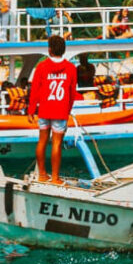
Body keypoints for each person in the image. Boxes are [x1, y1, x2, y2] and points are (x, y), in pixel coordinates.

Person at [27, 34, 81, 183]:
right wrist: (68, 110)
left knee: (42, 141)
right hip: (60, 110)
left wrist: (31, 110)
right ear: (63, 50)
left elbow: (35, 90)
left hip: (44, 109)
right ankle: (55, 177)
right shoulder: (71, 68)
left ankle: (42, 175)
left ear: (49, 50)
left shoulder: (42, 66)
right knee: (56, 143)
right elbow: (71, 93)